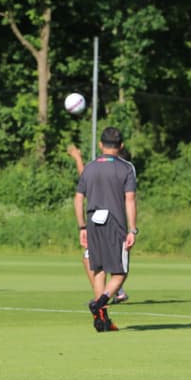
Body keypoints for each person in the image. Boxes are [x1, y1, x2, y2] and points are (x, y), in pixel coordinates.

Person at [74, 127, 137, 332]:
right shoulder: (126, 168)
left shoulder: (89, 168)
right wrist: (132, 229)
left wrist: (82, 226)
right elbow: (130, 199)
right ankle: (100, 303)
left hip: (92, 223)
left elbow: (78, 198)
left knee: (98, 269)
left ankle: (102, 319)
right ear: (121, 146)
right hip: (115, 224)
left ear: (100, 145)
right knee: (120, 273)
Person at [68, 144, 129, 304]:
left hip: (107, 222)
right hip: (101, 221)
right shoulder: (116, 168)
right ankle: (107, 296)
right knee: (94, 260)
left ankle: (102, 299)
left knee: (97, 262)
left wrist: (78, 158)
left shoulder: (118, 167)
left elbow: (84, 179)